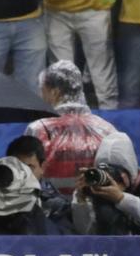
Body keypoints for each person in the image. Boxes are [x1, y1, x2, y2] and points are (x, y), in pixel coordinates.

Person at [25, 59, 117, 196]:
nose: (41, 96)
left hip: (50, 212)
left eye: (43, 90)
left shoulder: (38, 129)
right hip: (96, 209)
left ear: (54, 92)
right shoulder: (106, 129)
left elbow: (25, 179)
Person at [72, 131, 140, 235]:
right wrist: (80, 201)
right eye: (106, 174)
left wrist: (121, 198)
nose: (110, 182)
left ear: (127, 175)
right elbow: (84, 233)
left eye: (114, 175)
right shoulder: (94, 185)